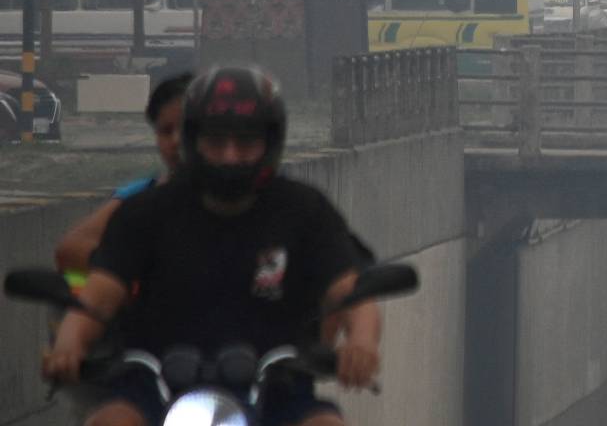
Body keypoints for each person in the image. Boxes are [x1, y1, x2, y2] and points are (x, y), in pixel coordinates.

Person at [41, 65, 386, 426]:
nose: (230, 156)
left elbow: (351, 292)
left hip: (278, 394)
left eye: (245, 142)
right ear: (193, 140)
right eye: (216, 142)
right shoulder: (145, 212)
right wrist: (70, 342)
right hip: (152, 391)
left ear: (271, 143)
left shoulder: (304, 210)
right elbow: (97, 295)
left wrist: (361, 342)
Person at [54, 73, 191, 275]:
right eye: (166, 131)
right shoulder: (139, 197)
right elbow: (70, 251)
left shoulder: (243, 195)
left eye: (187, 129)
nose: (176, 141)